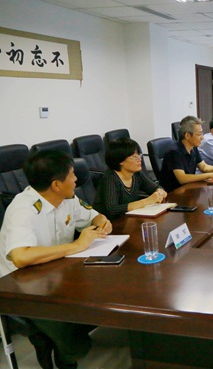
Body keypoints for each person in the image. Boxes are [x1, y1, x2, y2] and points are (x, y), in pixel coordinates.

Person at [0, 150, 112, 369]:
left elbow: (93, 216)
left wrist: (102, 222)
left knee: (101, 294)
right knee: (71, 332)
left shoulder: (68, 198)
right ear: (56, 185)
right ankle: (63, 356)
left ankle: (57, 346)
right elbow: (21, 257)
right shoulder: (23, 209)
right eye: (72, 175)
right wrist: (76, 246)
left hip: (56, 272)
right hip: (21, 285)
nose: (77, 179)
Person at [94, 138, 166, 220]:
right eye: (135, 157)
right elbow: (112, 210)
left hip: (129, 219)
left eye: (139, 155)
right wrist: (146, 201)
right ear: (121, 161)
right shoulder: (110, 179)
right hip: (110, 223)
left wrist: (160, 192)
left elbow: (155, 187)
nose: (140, 159)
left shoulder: (136, 174)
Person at [159, 116, 213, 192]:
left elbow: (203, 167)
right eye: (199, 134)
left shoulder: (193, 148)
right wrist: (211, 175)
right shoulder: (174, 152)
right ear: (187, 135)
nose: (202, 137)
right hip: (173, 193)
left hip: (188, 188)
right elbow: (182, 178)